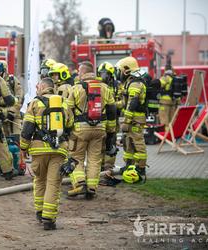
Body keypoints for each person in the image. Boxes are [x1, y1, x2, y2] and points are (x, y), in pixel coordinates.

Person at [20, 77, 74, 230]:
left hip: (38, 150)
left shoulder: (35, 103)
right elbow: (70, 126)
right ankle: (49, 219)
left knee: (39, 181)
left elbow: (27, 129)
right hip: (59, 150)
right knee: (53, 184)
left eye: (38, 86)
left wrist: (23, 148)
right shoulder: (64, 103)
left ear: (43, 86)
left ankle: (39, 212)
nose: (37, 89)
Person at [67, 61, 116, 198]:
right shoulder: (105, 88)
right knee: (95, 160)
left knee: (76, 158)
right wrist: (111, 130)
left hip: (79, 130)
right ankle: (92, 188)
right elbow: (112, 111)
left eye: (78, 71)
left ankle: (80, 183)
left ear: (83, 72)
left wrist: (68, 129)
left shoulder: (75, 88)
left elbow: (67, 110)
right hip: (100, 128)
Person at [116, 56, 147, 180]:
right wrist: (112, 104)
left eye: (119, 70)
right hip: (131, 119)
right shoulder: (129, 82)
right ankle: (129, 165)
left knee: (138, 143)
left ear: (126, 70)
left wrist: (126, 121)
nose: (118, 74)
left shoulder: (135, 83)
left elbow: (132, 103)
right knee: (128, 143)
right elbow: (125, 102)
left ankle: (140, 168)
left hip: (135, 120)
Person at [0, 60, 24, 137]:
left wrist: (12, 112)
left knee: (17, 139)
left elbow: (20, 97)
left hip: (14, 116)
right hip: (0, 116)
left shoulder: (13, 80)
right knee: (2, 141)